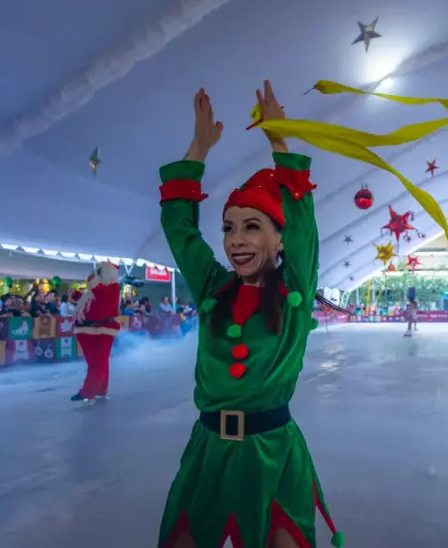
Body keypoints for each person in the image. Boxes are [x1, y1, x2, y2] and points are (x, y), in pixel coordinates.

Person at [156, 82, 342, 548]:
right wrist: (198, 150)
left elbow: (303, 220)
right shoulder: (213, 289)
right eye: (229, 228)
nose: (236, 240)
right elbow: (180, 229)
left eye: (252, 227)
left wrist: (278, 140)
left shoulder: (294, 291)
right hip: (208, 455)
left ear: (280, 239)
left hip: (273, 454)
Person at [71, 263, 122, 404]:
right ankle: (100, 389)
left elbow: (99, 291)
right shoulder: (94, 289)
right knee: (96, 362)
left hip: (104, 329)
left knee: (98, 362)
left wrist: (92, 280)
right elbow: (79, 299)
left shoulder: (113, 287)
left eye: (100, 271)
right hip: (85, 329)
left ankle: (87, 392)